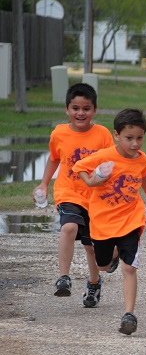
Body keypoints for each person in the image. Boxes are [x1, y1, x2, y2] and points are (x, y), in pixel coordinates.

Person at [73, 108, 146, 335]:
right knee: (103, 265)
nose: (135, 144)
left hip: (131, 220)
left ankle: (129, 314)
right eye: (129, 138)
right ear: (116, 135)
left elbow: (143, 176)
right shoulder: (105, 156)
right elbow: (80, 167)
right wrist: (93, 182)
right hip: (103, 222)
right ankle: (113, 256)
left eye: (140, 138)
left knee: (129, 268)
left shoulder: (141, 158)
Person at [34, 83, 114, 304]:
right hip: (68, 191)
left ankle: (94, 284)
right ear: (67, 109)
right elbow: (54, 158)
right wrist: (43, 184)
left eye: (86, 108)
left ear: (94, 110)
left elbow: (110, 165)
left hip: (95, 196)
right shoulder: (59, 133)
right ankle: (63, 278)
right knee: (68, 227)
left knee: (92, 247)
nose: (81, 113)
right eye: (75, 108)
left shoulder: (103, 134)